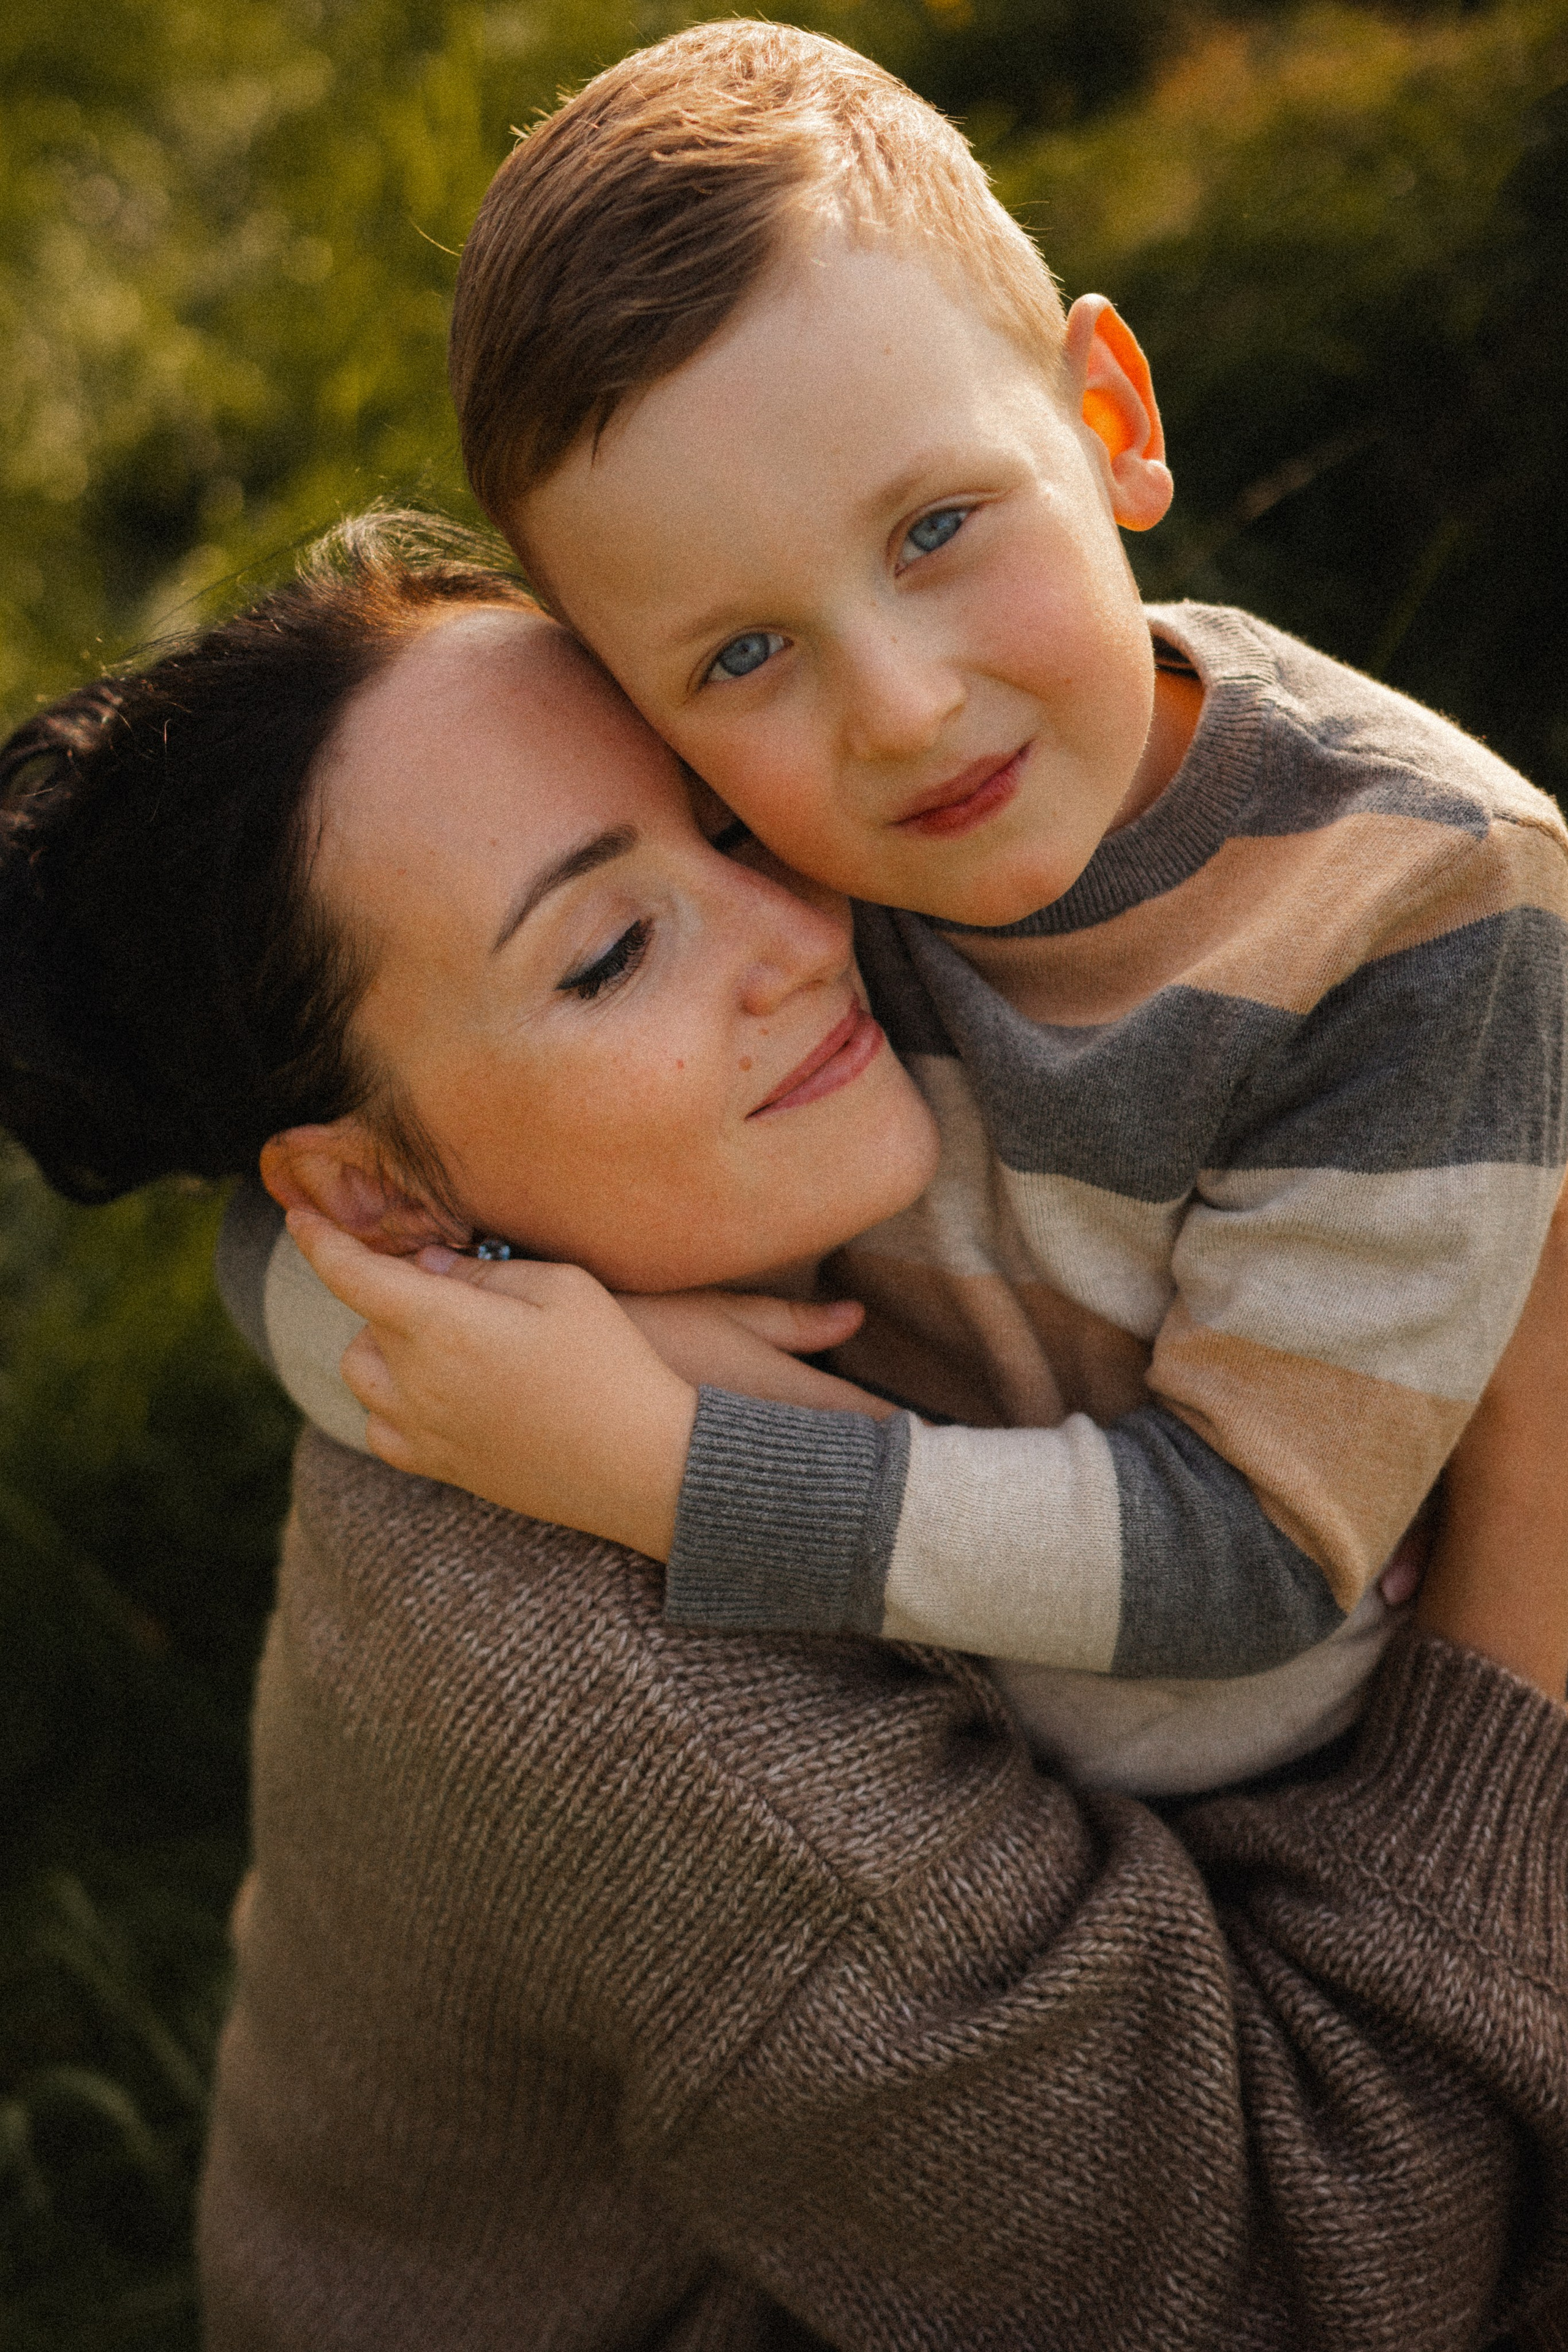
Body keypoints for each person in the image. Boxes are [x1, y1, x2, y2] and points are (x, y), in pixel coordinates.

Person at [1, 518, 1564, 2347]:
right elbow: (1317, 2273)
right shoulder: (638, 1716)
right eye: (605, 957)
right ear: (375, 1199)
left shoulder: (726, 1166)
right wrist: (1539, 1437)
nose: (799, 937)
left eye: (726, 818)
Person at [258, 19, 1567, 1798]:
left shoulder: (1422, 902)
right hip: (985, 1745)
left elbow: (1252, 1563)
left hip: (1343, 1814)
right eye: (739, 653)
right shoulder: (755, 865)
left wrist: (660, 1449)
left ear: (1108, 420)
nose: (898, 710)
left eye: (939, 527)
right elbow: (296, 1253)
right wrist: (573, 1369)